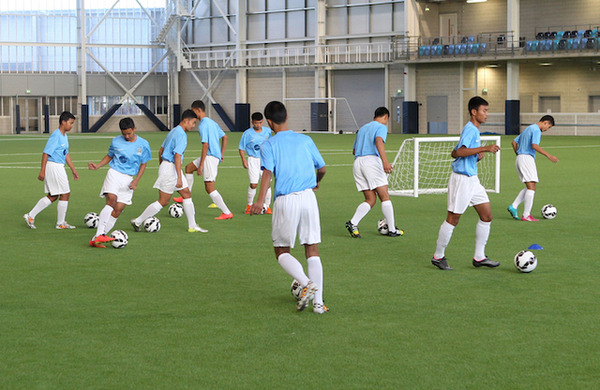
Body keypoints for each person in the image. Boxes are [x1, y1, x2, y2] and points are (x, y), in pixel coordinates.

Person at [250, 101, 328, 314]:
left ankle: (305, 283)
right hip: (309, 198)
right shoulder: (305, 139)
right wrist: (316, 181)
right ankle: (319, 304)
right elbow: (321, 168)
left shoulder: (269, 145)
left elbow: (267, 173)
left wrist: (259, 202)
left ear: (268, 122)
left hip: (286, 200)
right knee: (312, 249)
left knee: (281, 250)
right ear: (287, 116)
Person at [431, 96, 501, 271]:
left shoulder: (474, 131)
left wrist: (476, 158)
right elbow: (459, 152)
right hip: (461, 180)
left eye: (487, 110)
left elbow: (456, 153)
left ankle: (479, 257)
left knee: (487, 216)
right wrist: (484, 148)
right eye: (484, 111)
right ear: (474, 112)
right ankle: (438, 256)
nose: (487, 114)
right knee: (453, 219)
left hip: (473, 180)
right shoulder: (470, 129)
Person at [130, 109, 207, 233]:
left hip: (167, 167)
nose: (193, 126)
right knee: (163, 201)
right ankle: (138, 221)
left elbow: (161, 150)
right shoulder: (181, 134)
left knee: (186, 193)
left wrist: (163, 166)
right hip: (171, 168)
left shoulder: (173, 131)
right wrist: (179, 177)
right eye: (193, 123)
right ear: (186, 121)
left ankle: (192, 225)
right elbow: (177, 155)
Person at [87, 117, 152, 247]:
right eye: (124, 134)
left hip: (129, 179)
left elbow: (143, 164)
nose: (127, 136)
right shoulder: (116, 141)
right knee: (111, 200)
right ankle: (100, 234)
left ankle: (97, 239)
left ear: (134, 129)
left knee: (118, 210)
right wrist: (98, 165)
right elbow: (110, 155)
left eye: (129, 133)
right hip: (114, 173)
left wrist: (136, 181)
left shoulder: (144, 144)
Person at [345, 107, 403, 238]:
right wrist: (385, 161)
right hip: (371, 161)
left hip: (357, 163)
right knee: (385, 196)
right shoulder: (381, 127)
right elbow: (378, 141)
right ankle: (392, 229)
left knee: (370, 199)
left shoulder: (363, 128)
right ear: (386, 117)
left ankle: (353, 223)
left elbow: (354, 151)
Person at [177, 100, 233, 220]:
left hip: (209, 157)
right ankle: (186, 195)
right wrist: (221, 154)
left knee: (209, 187)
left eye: (193, 111)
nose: (192, 114)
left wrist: (201, 165)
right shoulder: (212, 123)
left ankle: (227, 212)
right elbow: (225, 137)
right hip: (213, 156)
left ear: (198, 110)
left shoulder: (202, 125)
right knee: (189, 168)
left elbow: (205, 145)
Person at [24, 111, 78, 230]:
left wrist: (73, 169)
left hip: (59, 167)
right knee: (65, 193)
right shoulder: (56, 135)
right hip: (54, 166)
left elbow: (66, 154)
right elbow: (46, 153)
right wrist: (42, 170)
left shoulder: (64, 136)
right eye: (70, 123)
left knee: (53, 196)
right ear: (63, 122)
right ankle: (60, 223)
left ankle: (31, 215)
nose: (71, 125)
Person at [507, 115, 559, 222]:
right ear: (545, 123)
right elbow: (534, 145)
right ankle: (526, 215)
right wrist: (549, 155)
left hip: (520, 158)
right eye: (548, 127)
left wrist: (518, 154)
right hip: (527, 158)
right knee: (531, 187)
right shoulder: (536, 130)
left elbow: (513, 142)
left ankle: (514, 206)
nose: (546, 130)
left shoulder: (528, 128)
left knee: (530, 186)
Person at [238, 112, 272, 215]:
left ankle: (267, 206)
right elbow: (241, 147)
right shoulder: (247, 133)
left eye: (260, 123)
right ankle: (249, 205)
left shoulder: (267, 131)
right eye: (256, 123)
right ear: (252, 122)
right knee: (253, 184)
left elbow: (271, 145)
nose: (258, 125)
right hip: (253, 160)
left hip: (265, 160)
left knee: (267, 184)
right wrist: (244, 160)